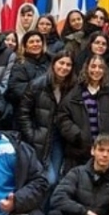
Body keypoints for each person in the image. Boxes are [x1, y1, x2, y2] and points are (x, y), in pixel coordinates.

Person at [17, 54, 75, 190]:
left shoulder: (72, 86)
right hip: (40, 137)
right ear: (53, 64)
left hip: (60, 137)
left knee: (56, 179)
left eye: (68, 65)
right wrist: (31, 134)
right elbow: (23, 112)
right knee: (49, 179)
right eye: (61, 63)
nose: (64, 67)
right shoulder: (37, 84)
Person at [57, 56, 109, 175]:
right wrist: (77, 135)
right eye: (93, 66)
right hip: (78, 150)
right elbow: (63, 116)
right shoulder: (75, 91)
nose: (96, 70)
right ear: (87, 68)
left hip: (102, 149)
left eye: (100, 67)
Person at [5, 30, 51, 116]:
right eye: (31, 42)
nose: (35, 44)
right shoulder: (19, 65)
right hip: (27, 111)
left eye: (38, 41)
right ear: (25, 45)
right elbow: (17, 88)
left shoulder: (51, 61)